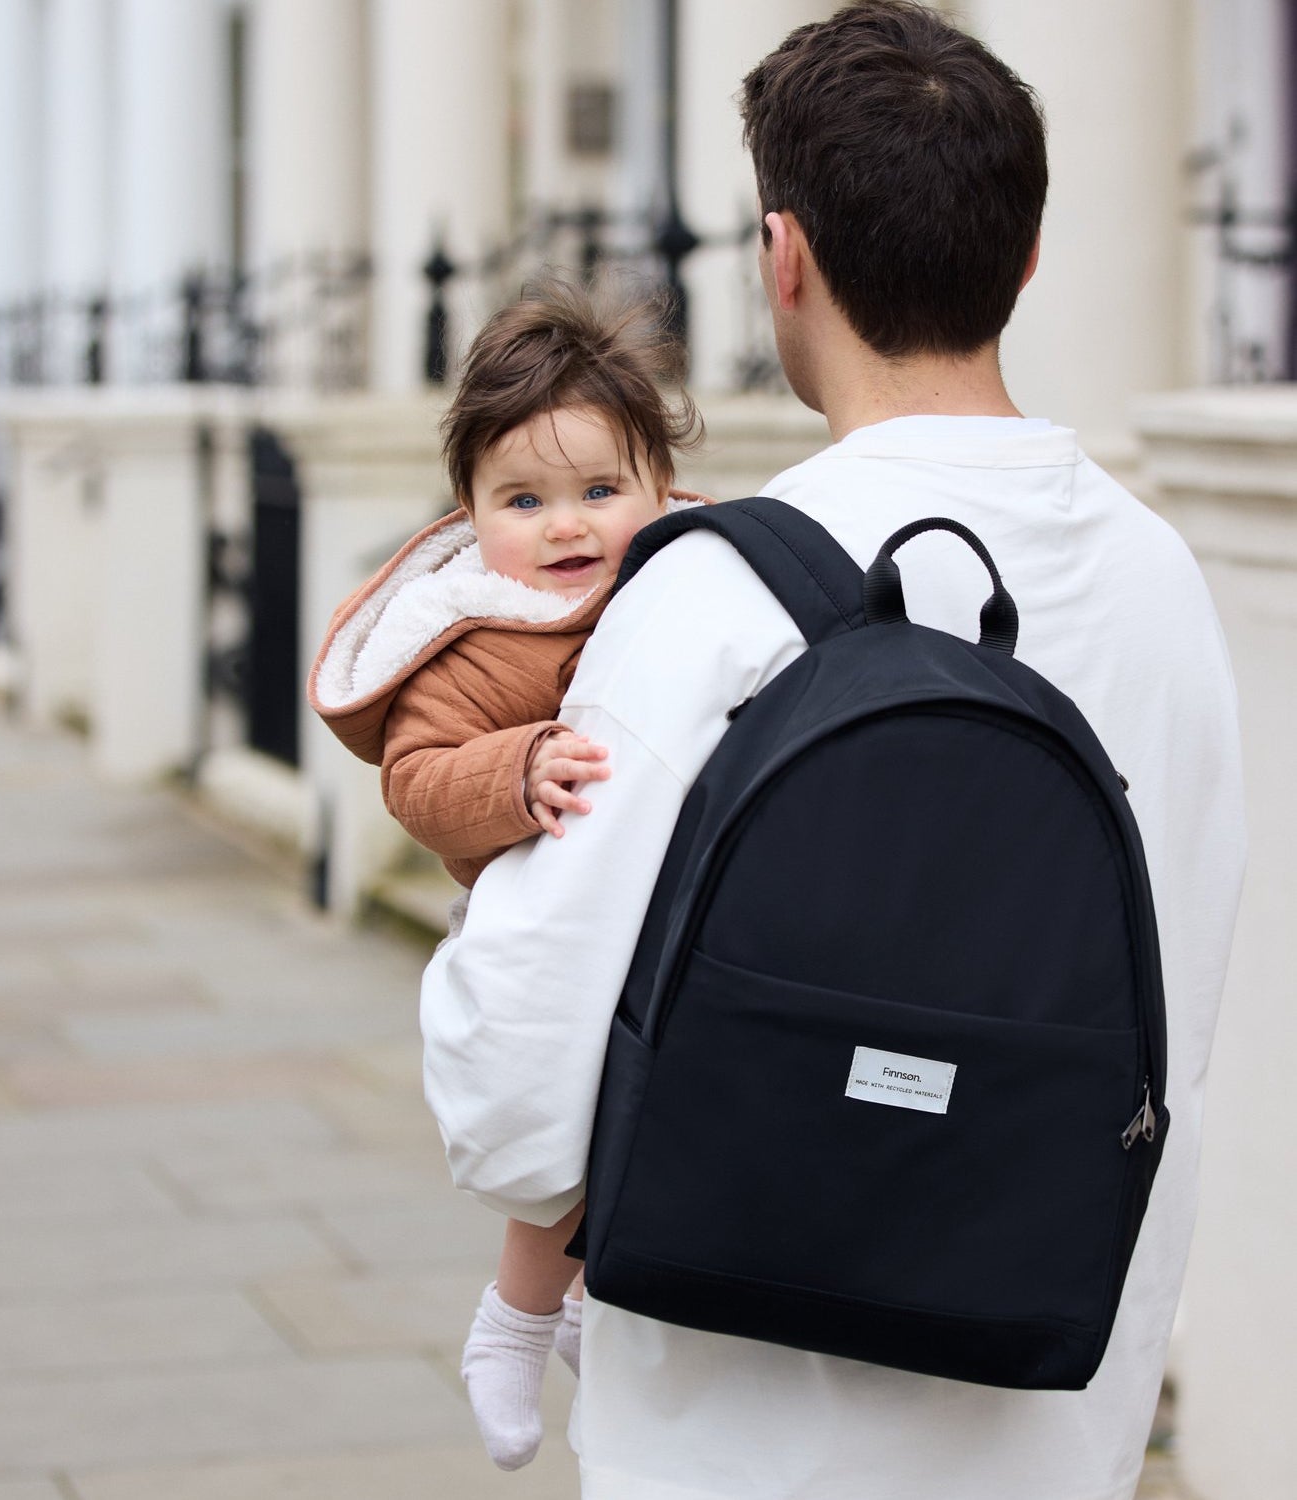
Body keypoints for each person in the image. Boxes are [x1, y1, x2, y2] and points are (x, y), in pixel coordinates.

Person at [418, 3, 1246, 1497]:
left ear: (781, 258)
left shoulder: (716, 588)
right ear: (1027, 256)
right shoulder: (1165, 581)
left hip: (749, 1436)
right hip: (1054, 1415)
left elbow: (517, 1104)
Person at [307, 278, 706, 1470]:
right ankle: (515, 1319)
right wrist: (517, 768)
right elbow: (417, 777)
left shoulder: (690, 585)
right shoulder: (480, 637)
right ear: (472, 513)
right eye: (523, 499)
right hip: (548, 937)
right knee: (559, 1136)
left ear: (659, 485)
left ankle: (579, 1306)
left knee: (640, 1128)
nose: (567, 525)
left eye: (600, 490)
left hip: (667, 924)